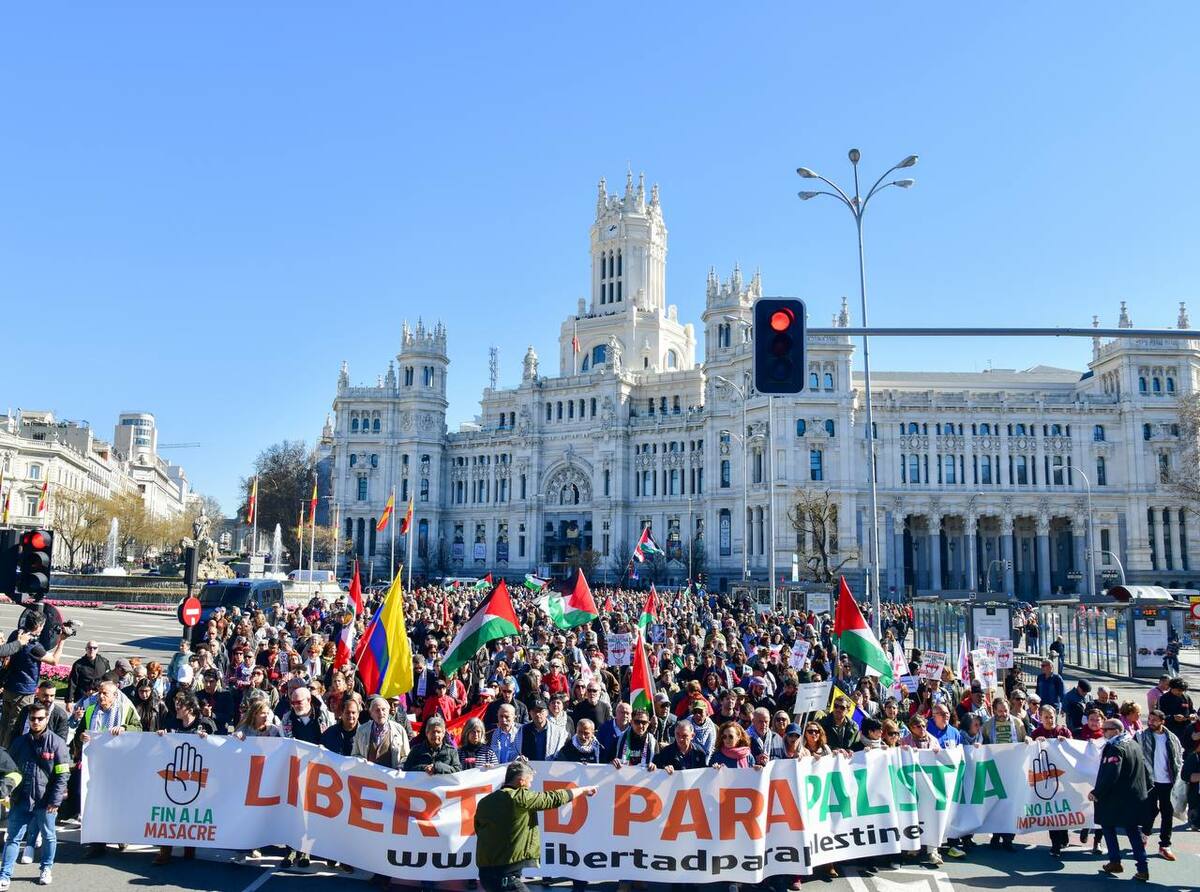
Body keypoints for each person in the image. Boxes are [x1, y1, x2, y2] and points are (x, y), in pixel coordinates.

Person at [474, 759, 596, 892]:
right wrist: (583, 790)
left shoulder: (485, 801)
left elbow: (478, 828)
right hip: (505, 875)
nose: (530, 785)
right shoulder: (520, 798)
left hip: (485, 874)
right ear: (521, 781)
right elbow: (554, 798)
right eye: (530, 781)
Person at [0, 702, 69, 889]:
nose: (36, 722)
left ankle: (46, 869)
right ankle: (4, 875)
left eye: (40, 718)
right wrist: (7, 793)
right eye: (32, 719)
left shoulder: (57, 743)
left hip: (46, 802)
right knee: (12, 837)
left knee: (49, 836)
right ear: (28, 720)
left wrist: (55, 800)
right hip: (21, 799)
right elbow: (10, 770)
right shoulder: (19, 742)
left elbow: (63, 775)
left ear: (47, 719)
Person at [1090, 717, 1153, 882]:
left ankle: (1115, 861)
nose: (1103, 733)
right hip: (1134, 797)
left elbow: (1111, 774)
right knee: (1132, 831)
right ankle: (1142, 867)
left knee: (1108, 826)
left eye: (1106, 730)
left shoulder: (1116, 748)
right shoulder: (1133, 744)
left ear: (1116, 731)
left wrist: (1097, 792)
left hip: (1117, 798)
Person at [0, 614, 67, 748]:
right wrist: (62, 640)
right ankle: (6, 755)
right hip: (23, 692)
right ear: (39, 626)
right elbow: (54, 660)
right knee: (15, 726)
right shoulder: (34, 646)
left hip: (9, 687)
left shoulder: (16, 635)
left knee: (4, 724)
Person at [1135, 709, 1183, 862]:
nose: (1151, 722)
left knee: (1167, 812)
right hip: (1149, 780)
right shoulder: (1140, 737)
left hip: (1168, 781)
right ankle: (1144, 835)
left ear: (1162, 721)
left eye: (1154, 720)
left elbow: (1178, 758)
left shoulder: (1172, 738)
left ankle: (1165, 845)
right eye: (1149, 719)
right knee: (1150, 810)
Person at [352, 696, 410, 767]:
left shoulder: (399, 730)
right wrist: (361, 761)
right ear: (371, 713)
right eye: (377, 710)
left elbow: (406, 756)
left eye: (383, 709)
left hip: (390, 776)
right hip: (368, 775)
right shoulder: (361, 730)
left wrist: (400, 766)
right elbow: (354, 755)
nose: (381, 713)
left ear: (388, 711)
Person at [65, 641, 110, 706]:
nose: (92, 650)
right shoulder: (78, 664)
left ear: (97, 650)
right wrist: (68, 701)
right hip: (82, 697)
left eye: (94, 648)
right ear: (86, 649)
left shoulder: (104, 662)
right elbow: (72, 683)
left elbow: (108, 680)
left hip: (99, 697)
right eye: (89, 648)